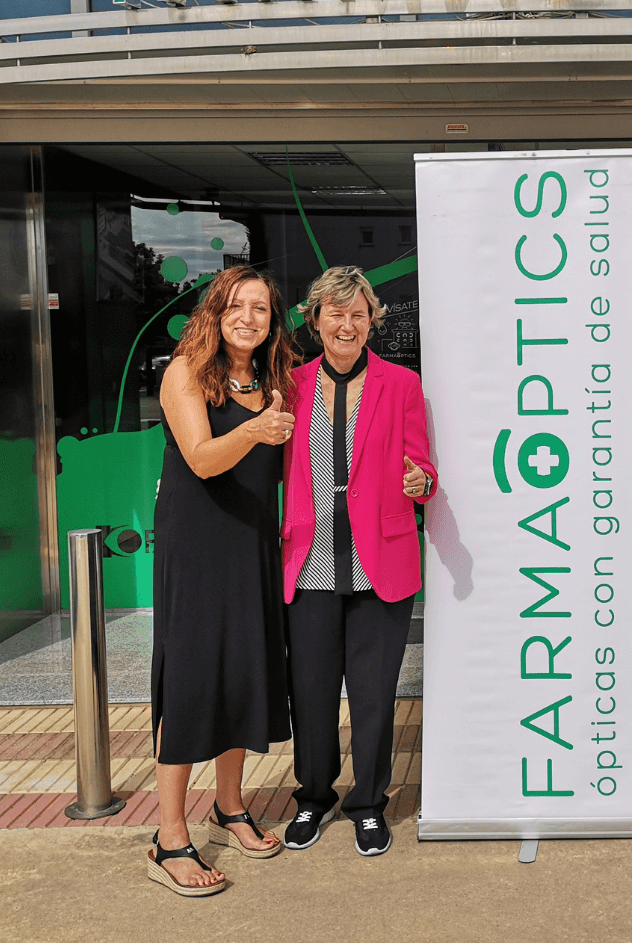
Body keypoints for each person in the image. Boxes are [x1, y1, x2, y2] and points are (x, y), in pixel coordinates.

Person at [144, 266, 299, 897]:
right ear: (215, 312)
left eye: (260, 308)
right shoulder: (186, 372)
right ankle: (168, 838)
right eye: (236, 305)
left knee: (242, 670)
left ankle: (229, 808)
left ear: (272, 320)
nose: (248, 318)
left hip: (252, 542)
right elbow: (203, 460)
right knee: (191, 677)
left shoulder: (274, 380)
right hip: (198, 545)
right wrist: (255, 429)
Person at [279, 266, 437, 857]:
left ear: (372, 321)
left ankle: (369, 804)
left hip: (380, 562)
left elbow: (422, 466)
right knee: (311, 692)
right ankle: (314, 796)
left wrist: (422, 481)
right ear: (315, 321)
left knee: (374, 695)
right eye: (335, 314)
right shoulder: (289, 384)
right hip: (310, 560)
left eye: (357, 314)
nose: (346, 325)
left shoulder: (401, 384)